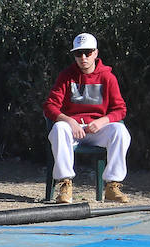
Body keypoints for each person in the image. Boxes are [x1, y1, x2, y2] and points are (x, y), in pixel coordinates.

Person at [42, 32, 131, 204]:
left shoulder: (108, 77)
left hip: (96, 130)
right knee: (59, 129)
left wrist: (102, 121)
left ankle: (112, 185)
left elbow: (120, 109)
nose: (83, 57)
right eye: (78, 53)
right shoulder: (66, 76)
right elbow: (50, 106)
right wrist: (69, 121)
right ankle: (65, 184)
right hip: (73, 130)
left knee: (120, 131)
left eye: (88, 53)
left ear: (96, 53)